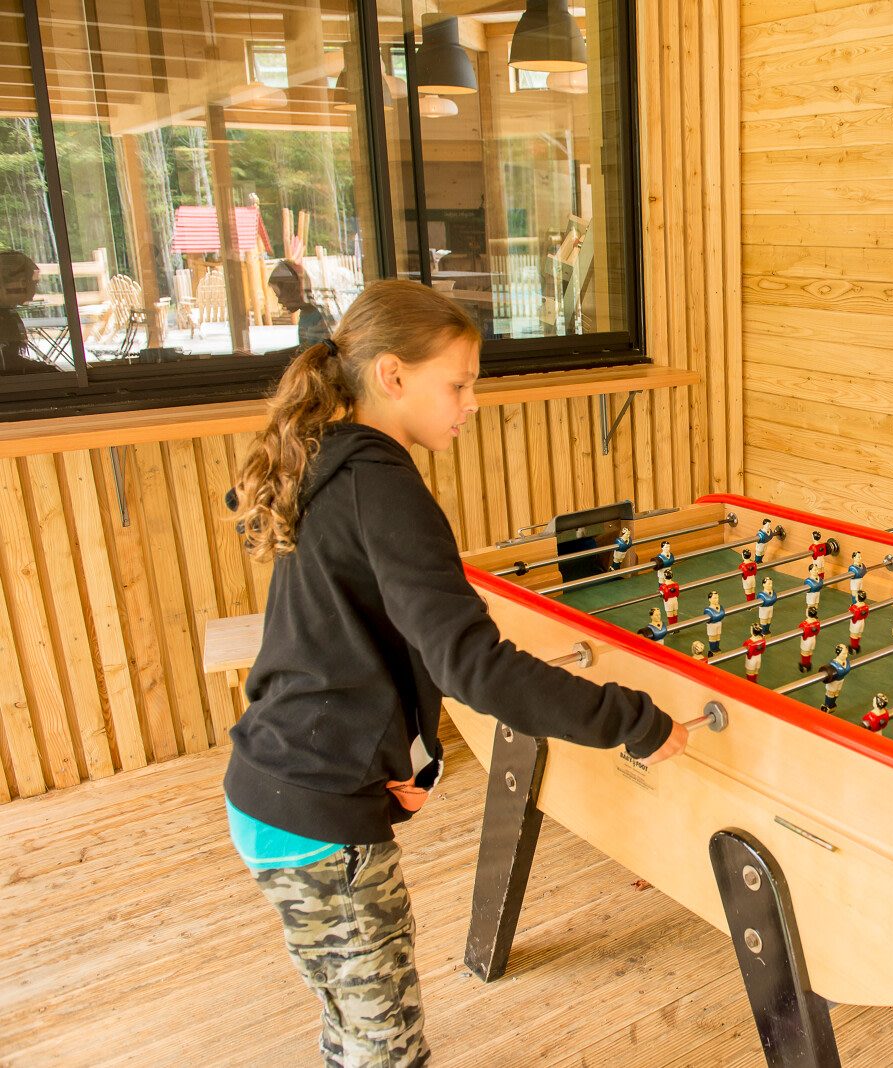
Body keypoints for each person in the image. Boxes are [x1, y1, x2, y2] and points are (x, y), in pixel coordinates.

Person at [223, 280, 685, 1068]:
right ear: (393, 376)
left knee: (350, 1028)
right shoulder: (381, 485)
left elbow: (357, 644)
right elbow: (472, 665)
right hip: (314, 817)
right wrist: (634, 721)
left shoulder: (333, 461)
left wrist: (402, 763)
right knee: (387, 1050)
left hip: (276, 790)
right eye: (459, 384)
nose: (472, 402)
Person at [0, 250, 58, 375]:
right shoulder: (3, 318)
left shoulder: (8, 313)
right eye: (34, 283)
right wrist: (43, 370)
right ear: (22, 283)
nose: (35, 289)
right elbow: (6, 364)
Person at [268, 259, 332, 351]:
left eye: (280, 296)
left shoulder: (319, 318)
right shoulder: (305, 315)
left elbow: (318, 351)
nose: (279, 301)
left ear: (295, 291)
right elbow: (304, 348)